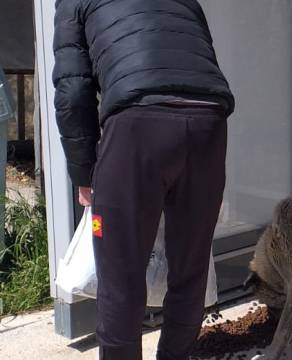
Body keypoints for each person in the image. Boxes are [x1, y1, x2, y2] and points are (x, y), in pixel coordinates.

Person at [52, 1, 234, 359]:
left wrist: (84, 172)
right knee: (190, 270)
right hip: (208, 123)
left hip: (138, 124)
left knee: (121, 281)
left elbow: (73, 94)